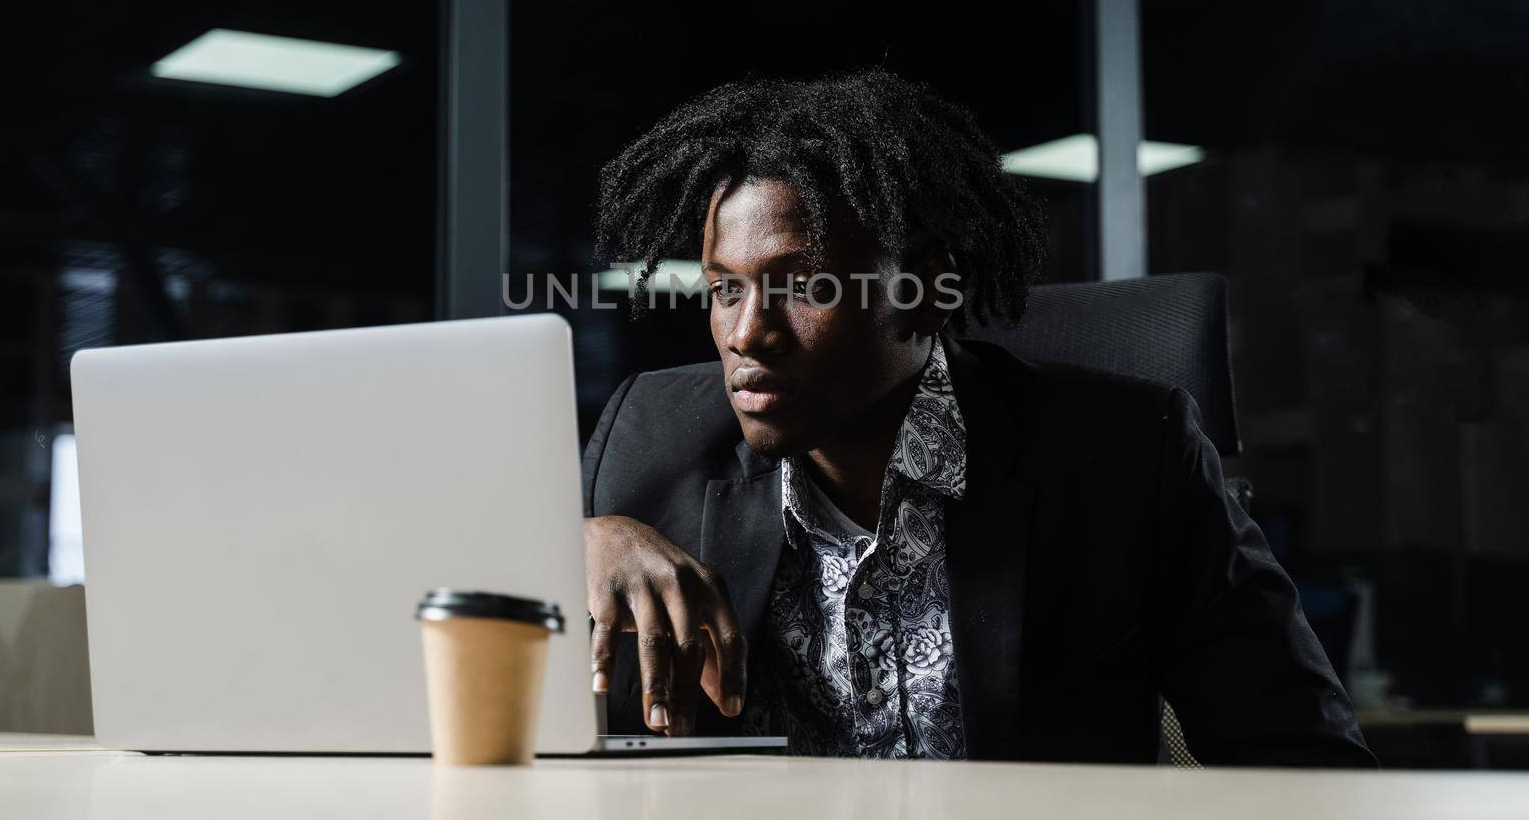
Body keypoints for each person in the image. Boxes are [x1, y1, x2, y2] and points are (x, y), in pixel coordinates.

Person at [580, 68, 1373, 765]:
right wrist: (568, 545)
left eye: (805, 285)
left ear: (925, 288)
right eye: (724, 288)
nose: (748, 331)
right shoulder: (651, 441)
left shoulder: (1128, 459)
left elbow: (1301, 757)